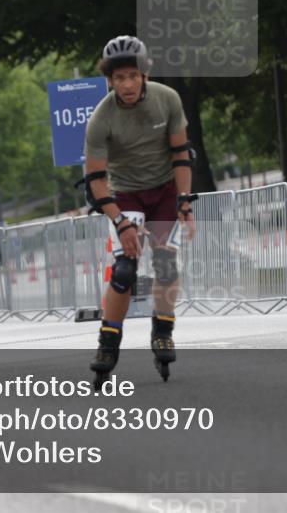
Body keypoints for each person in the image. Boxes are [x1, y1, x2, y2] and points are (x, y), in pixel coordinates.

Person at [81, 35, 197, 384]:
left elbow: (181, 155)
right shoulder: (101, 118)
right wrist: (120, 222)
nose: (127, 85)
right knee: (124, 273)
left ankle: (162, 329)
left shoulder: (168, 100)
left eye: (133, 76)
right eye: (119, 78)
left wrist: (184, 202)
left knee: (165, 264)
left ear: (145, 74)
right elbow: (96, 180)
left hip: (164, 189)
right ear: (109, 80)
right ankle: (108, 341)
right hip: (126, 194)